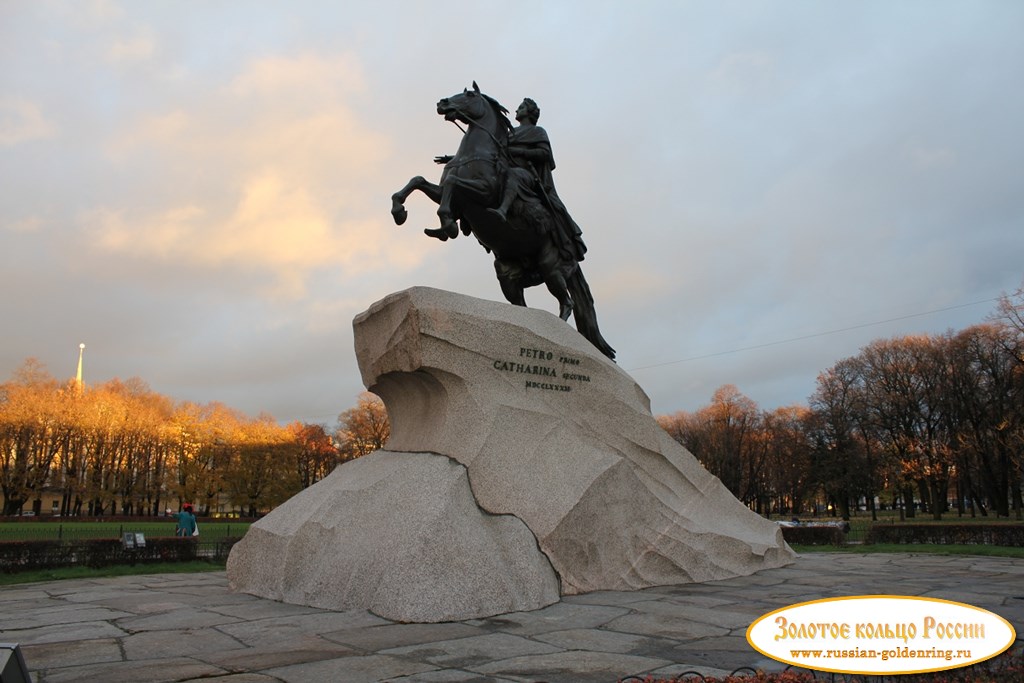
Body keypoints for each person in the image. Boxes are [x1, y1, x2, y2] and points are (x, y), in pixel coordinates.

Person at [488, 98, 587, 264]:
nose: (517, 110)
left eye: (521, 107)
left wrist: (518, 151)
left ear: (529, 112)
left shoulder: (538, 131)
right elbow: (492, 153)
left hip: (527, 176)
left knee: (514, 174)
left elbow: (544, 154)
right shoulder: (509, 133)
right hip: (504, 171)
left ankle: (503, 210)